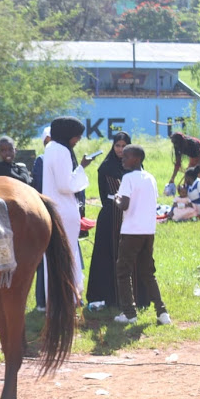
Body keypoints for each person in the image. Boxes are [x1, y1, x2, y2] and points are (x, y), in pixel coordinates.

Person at [113, 144, 171, 325]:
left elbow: (124, 205)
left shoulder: (128, 178)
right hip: (148, 230)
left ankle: (129, 313)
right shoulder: (151, 178)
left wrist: (116, 198)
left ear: (136, 159)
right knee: (148, 272)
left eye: (126, 157)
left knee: (123, 271)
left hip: (131, 231)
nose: (122, 159)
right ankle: (162, 312)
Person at [86, 132, 144, 311]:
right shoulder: (106, 167)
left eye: (123, 146)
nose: (120, 149)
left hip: (132, 214)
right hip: (111, 215)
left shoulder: (136, 167)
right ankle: (107, 296)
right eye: (117, 145)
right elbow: (105, 196)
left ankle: (134, 295)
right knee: (107, 254)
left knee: (130, 254)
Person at [42, 116, 92, 304]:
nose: (77, 140)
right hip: (64, 209)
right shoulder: (62, 151)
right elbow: (65, 185)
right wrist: (82, 168)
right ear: (67, 134)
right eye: (76, 136)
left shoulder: (50, 148)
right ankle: (69, 298)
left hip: (53, 209)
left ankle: (54, 300)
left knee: (53, 258)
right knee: (68, 255)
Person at [31, 127, 51, 312]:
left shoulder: (69, 158)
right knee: (44, 259)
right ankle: (42, 301)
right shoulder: (41, 161)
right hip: (46, 213)